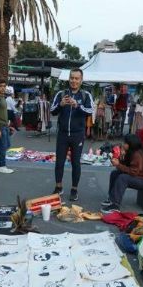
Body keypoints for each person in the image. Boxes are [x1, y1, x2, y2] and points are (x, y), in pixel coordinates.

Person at [50, 68, 94, 201]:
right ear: (69, 79)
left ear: (81, 80)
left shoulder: (86, 95)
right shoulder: (61, 94)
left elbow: (90, 111)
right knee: (59, 162)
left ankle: (74, 189)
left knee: (76, 163)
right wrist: (61, 105)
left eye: (77, 78)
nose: (74, 81)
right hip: (63, 134)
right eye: (72, 78)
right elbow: (52, 111)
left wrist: (77, 106)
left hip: (77, 135)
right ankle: (59, 187)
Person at [101, 134, 143, 213]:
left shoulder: (138, 154)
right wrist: (121, 157)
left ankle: (115, 205)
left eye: (125, 143)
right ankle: (111, 199)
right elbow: (127, 165)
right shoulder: (131, 151)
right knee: (115, 173)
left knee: (123, 178)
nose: (123, 144)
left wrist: (118, 164)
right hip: (140, 176)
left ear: (130, 144)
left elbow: (133, 172)